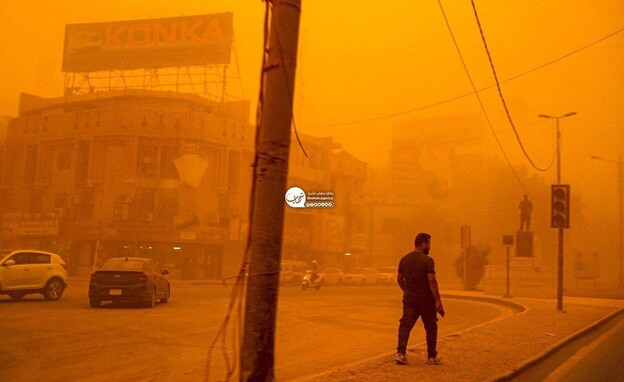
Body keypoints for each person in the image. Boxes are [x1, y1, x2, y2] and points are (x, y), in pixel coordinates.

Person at [395, 233, 444, 365]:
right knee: (431, 327)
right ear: (423, 244)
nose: (430, 246)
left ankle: (401, 353)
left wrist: (407, 291)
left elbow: (399, 279)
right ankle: (431, 357)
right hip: (426, 300)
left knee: (405, 325)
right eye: (429, 243)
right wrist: (438, 301)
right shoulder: (428, 261)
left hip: (410, 299)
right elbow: (432, 280)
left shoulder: (404, 259)